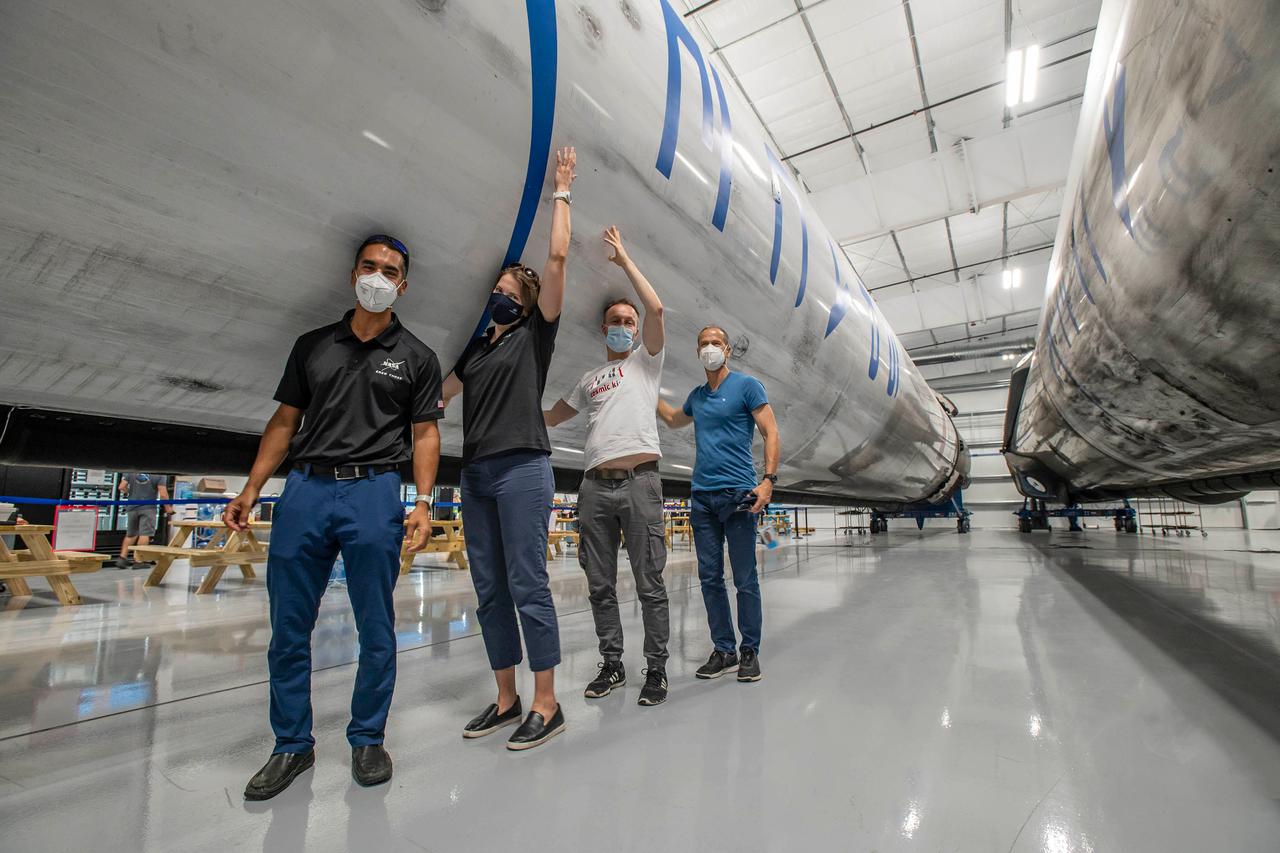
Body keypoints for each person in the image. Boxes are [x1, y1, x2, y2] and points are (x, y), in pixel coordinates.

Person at [223, 234, 443, 800]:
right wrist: (251, 488)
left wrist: (422, 501)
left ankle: (367, 737)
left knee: (376, 624)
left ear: (403, 284)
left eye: (389, 270)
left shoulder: (417, 357)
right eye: (369, 266)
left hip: (373, 493)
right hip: (306, 490)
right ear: (353, 274)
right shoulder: (312, 345)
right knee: (289, 625)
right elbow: (284, 420)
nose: (377, 276)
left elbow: (425, 433)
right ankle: (291, 744)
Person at [442, 147, 576, 751]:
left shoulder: (532, 337)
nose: (501, 296)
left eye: (509, 291)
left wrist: (562, 192)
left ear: (524, 304)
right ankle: (506, 697)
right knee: (490, 588)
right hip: (475, 475)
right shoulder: (475, 353)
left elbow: (555, 257)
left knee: (528, 583)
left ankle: (547, 704)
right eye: (495, 289)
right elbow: (435, 400)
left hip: (524, 467)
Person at [544, 226, 670, 707]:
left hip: (640, 484)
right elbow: (552, 417)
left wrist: (624, 262)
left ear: (635, 331)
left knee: (649, 583)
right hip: (594, 488)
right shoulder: (590, 379)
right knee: (599, 584)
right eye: (614, 320)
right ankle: (612, 664)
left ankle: (655, 670)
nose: (622, 325)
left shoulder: (646, 364)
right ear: (604, 330)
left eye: (627, 320)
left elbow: (656, 309)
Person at [657, 326, 780, 683]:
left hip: (739, 494)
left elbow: (771, 431)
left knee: (745, 579)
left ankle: (749, 651)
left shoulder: (746, 386)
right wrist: (645, 386)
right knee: (709, 578)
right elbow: (672, 418)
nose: (709, 348)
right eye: (703, 344)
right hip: (702, 497)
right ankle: (724, 649)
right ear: (698, 351)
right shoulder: (697, 396)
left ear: (727, 349)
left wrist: (768, 481)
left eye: (715, 343)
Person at [117, 473, 172, 569]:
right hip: (148, 508)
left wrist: (129, 493)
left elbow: (121, 487)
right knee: (145, 534)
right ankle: (139, 561)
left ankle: (122, 558)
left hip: (132, 506)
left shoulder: (133, 471)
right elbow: (163, 494)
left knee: (131, 534)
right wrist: (168, 508)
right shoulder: (160, 474)